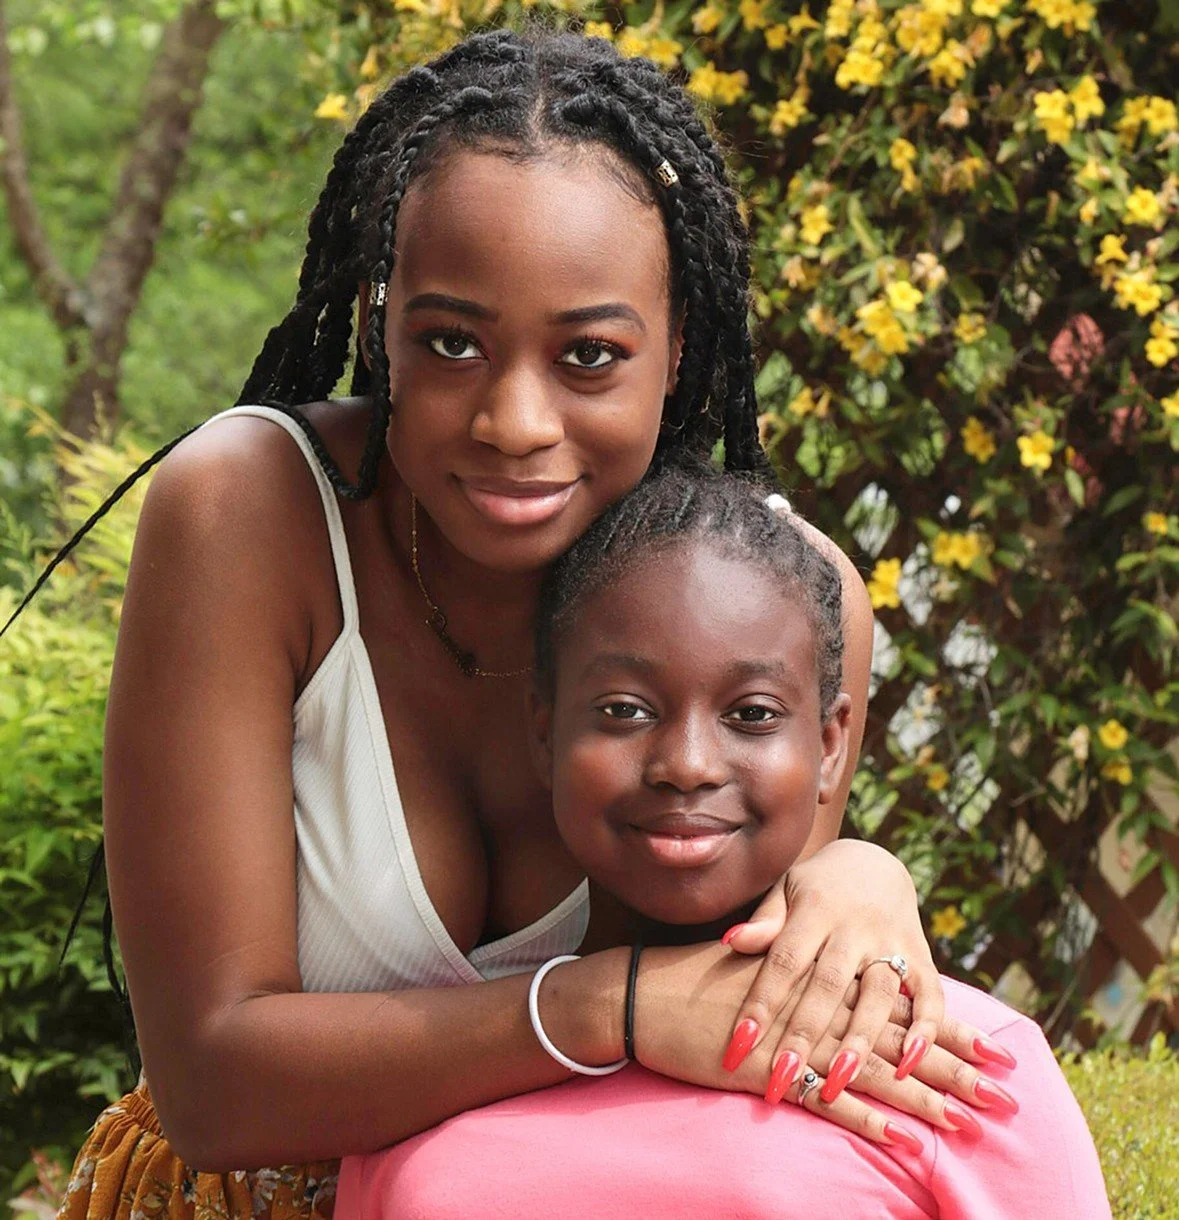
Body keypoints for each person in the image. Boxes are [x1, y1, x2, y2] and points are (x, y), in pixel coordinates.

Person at [34, 27, 1014, 1220]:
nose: (514, 419)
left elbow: (751, 1027)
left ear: (677, 351)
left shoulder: (779, 601)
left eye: (591, 355)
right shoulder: (255, 515)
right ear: (378, 319)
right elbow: (215, 1083)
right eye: (451, 342)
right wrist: (609, 1003)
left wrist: (858, 875)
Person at [337, 467, 1112, 1219]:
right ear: (544, 733)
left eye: (751, 714)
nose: (687, 765)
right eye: (623, 709)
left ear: (831, 743)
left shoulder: (950, 1060)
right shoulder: (442, 1063)